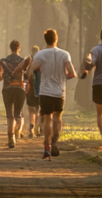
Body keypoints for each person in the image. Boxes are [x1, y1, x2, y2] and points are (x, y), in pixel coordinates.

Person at [29, 28, 75, 159]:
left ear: (45, 40)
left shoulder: (40, 55)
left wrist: (35, 79)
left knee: (47, 118)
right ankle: (55, 142)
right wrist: (63, 77)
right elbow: (72, 73)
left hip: (45, 91)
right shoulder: (65, 54)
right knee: (57, 117)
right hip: (59, 91)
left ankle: (46, 146)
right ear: (56, 39)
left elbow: (31, 72)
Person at [0, 40, 31, 148]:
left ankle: (10, 138)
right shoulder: (23, 61)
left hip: (7, 88)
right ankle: (16, 133)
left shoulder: (3, 61)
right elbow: (27, 76)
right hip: (19, 88)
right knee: (18, 114)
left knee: (10, 116)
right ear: (19, 48)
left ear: (10, 48)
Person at [25, 44, 41, 138]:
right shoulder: (41, 61)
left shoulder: (29, 60)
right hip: (40, 88)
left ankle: (31, 127)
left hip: (30, 88)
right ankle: (37, 128)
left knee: (31, 110)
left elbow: (26, 73)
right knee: (38, 109)